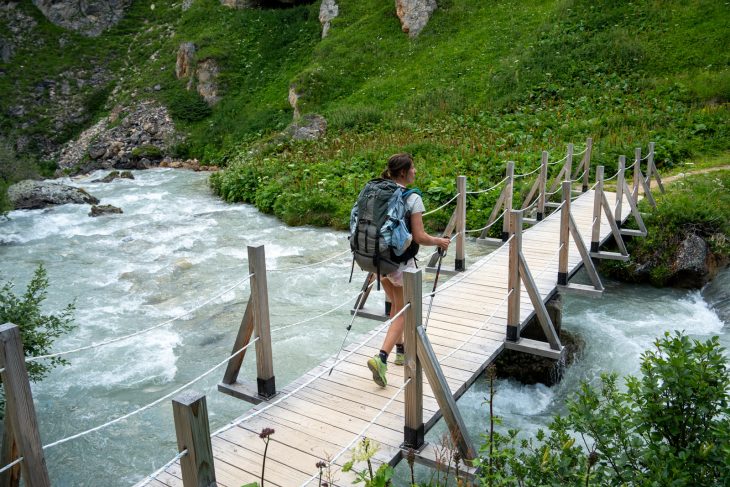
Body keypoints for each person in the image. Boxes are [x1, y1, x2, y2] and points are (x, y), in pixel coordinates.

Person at [366, 153, 450, 387]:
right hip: (399, 262)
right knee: (404, 311)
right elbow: (420, 237)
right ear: (403, 172)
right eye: (413, 168)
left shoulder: (378, 190)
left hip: (377, 261)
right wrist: (440, 242)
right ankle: (381, 357)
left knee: (396, 304)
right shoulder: (412, 198)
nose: (415, 172)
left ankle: (401, 350)